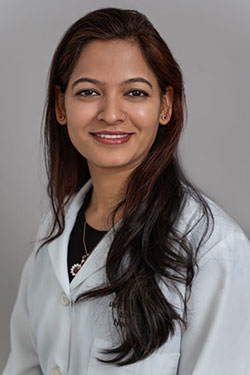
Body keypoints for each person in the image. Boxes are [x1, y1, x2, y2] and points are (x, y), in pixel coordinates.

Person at [3, 7, 250, 375]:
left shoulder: (213, 249)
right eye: (88, 92)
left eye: (135, 92)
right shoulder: (54, 230)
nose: (112, 113)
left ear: (165, 106)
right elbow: (25, 364)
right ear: (60, 106)